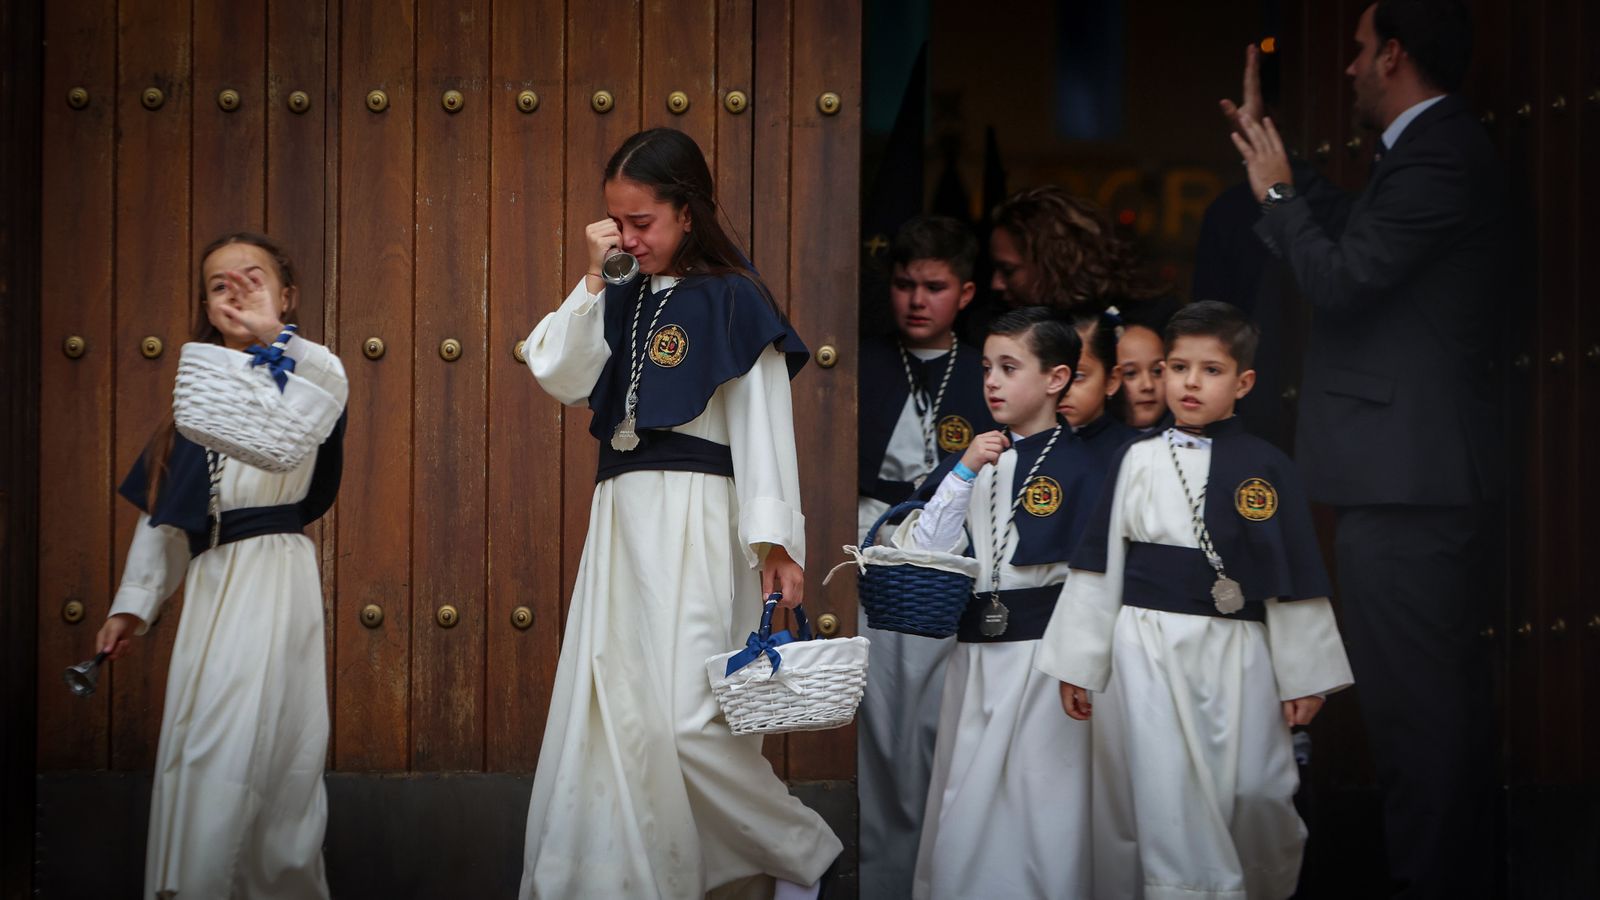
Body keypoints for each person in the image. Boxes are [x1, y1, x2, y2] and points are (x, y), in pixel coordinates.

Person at [517, 127, 840, 900]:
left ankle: (806, 854)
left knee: (691, 723)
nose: (628, 237)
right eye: (616, 223)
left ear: (687, 213)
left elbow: (764, 425)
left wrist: (775, 544)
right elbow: (555, 369)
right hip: (623, 524)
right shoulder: (617, 291)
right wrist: (597, 279)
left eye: (642, 223)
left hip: (701, 522)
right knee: (615, 717)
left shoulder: (734, 297)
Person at [1225, 3, 1505, 895]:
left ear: (1392, 54)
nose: (1346, 69)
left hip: (1413, 487)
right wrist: (1277, 159)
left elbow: (1342, 280)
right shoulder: (1426, 154)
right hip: (1405, 482)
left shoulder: (1444, 153)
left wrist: (1274, 194)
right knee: (1419, 720)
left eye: (1355, 51)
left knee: (1419, 726)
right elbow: (1354, 230)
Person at [1038, 301, 1353, 899]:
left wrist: (1304, 677)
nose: (1188, 382)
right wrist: (1080, 661)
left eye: (1210, 370)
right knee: (1168, 793)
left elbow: (1296, 575)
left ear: (1244, 382)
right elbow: (1101, 562)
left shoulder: (1269, 467)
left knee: (1258, 790)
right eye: (1177, 367)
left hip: (1240, 652)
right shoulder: (1136, 458)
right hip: (1147, 646)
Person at [95, 232, 348, 899]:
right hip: (212, 583)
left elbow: (320, 395)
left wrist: (275, 337)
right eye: (219, 285)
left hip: (270, 578)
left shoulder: (307, 376)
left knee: (251, 750)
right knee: (200, 738)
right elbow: (168, 520)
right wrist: (134, 603)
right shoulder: (194, 405)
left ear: (287, 294)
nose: (235, 293)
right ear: (205, 307)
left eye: (252, 279)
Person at [903, 307, 1105, 900]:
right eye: (987, 366)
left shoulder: (1086, 466)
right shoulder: (973, 461)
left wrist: (1079, 662)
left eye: (1009, 367)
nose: (990, 380)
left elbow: (1093, 577)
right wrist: (963, 472)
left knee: (1040, 808)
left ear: (1055, 378)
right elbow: (924, 550)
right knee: (965, 797)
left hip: (1047, 662)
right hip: (974, 659)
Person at [855, 215, 995, 899]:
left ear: (965, 293)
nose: (916, 300)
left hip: (952, 562)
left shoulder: (985, 373)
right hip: (869, 541)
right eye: (904, 284)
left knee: (940, 723)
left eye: (933, 287)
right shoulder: (860, 361)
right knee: (877, 723)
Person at [988, 186, 1165, 310]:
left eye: (1008, 270)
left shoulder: (1139, 328)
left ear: (1052, 263)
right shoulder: (992, 327)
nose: (996, 283)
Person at [1062, 307, 1137, 465]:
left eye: (1077, 376)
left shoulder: (1135, 453)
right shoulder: (1021, 443)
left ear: (1111, 380)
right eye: (1054, 376)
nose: (1063, 389)